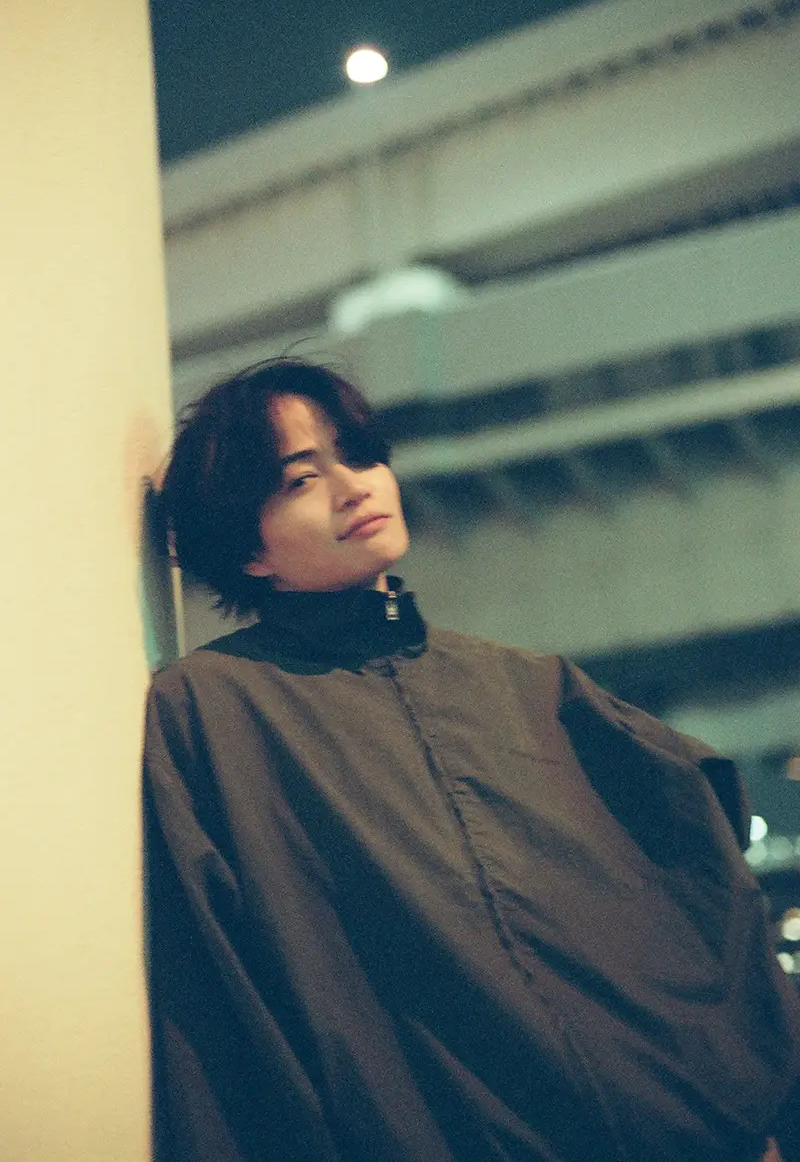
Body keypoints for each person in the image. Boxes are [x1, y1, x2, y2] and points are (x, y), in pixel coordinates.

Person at [144, 357, 800, 1162]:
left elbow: (700, 845)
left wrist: (744, 1092)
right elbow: (214, 994)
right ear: (250, 551)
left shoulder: (527, 683)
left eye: (358, 454)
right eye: (301, 480)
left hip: (690, 1133)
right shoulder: (215, 706)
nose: (355, 487)